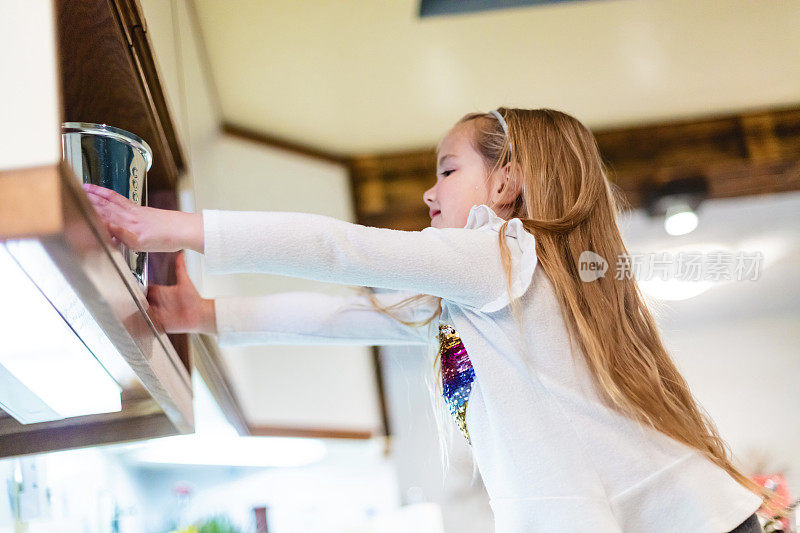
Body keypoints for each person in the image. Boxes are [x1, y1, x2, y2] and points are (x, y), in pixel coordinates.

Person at [83, 108, 782, 532]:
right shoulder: (488, 291)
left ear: (504, 182)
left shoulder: (496, 255)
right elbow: (344, 314)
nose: (427, 191)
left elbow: (338, 246)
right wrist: (201, 312)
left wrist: (166, 225)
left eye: (447, 170)